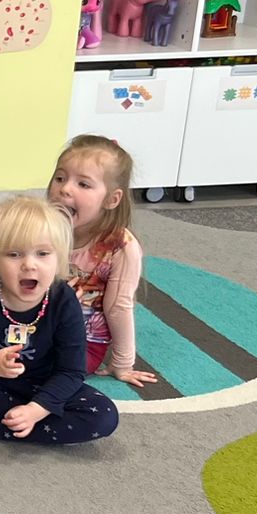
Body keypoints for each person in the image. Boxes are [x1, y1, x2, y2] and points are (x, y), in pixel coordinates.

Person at [0, 197, 119, 445]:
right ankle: (15, 421)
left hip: (45, 386)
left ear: (59, 259)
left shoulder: (64, 300)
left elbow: (71, 371)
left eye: (43, 253)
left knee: (103, 416)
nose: (29, 265)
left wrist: (36, 410)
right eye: (14, 254)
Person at [48, 135, 158, 387]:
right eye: (60, 178)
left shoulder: (121, 247)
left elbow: (118, 307)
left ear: (111, 199)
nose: (65, 189)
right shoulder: (42, 228)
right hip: (32, 322)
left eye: (83, 184)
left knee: (39, 369)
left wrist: (123, 363)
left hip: (80, 340)